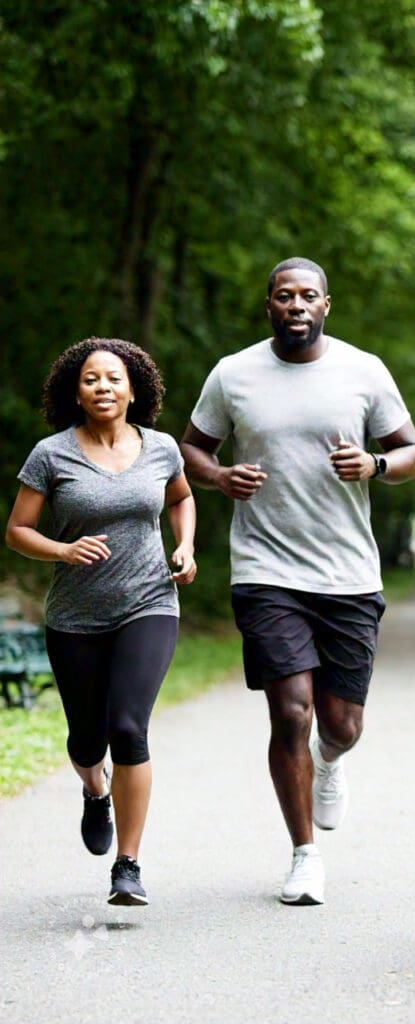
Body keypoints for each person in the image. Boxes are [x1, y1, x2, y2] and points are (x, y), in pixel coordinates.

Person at [181, 257, 415, 906]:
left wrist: (374, 463)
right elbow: (192, 448)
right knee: (291, 711)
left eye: (307, 295)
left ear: (325, 305)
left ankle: (332, 761)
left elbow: (412, 455)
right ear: (268, 306)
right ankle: (304, 854)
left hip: (347, 573)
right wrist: (219, 477)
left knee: (340, 724)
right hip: (266, 570)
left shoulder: (363, 370)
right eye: (284, 295)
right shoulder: (233, 374)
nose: (295, 304)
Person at [6, 338, 197, 906]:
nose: (104, 387)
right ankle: (94, 789)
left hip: (150, 602)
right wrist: (62, 552)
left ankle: (128, 865)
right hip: (76, 616)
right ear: (77, 392)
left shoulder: (162, 449)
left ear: (133, 389)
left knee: (128, 727)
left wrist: (184, 545)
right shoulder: (51, 455)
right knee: (87, 740)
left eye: (114, 378)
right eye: (91, 379)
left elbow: (182, 498)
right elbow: (18, 530)